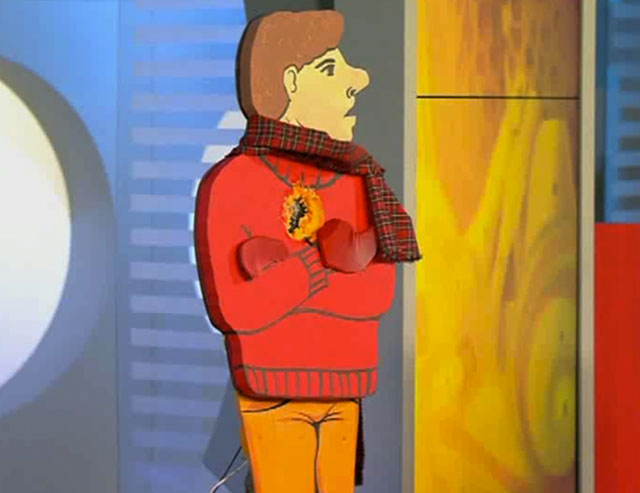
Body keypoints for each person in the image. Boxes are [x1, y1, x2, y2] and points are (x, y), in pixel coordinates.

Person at [194, 10, 420, 493]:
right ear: (291, 82)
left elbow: (375, 295)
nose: (358, 81)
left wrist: (287, 281)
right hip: (271, 387)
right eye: (331, 69)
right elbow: (239, 309)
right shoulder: (234, 182)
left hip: (346, 384)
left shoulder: (360, 182)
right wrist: (323, 264)